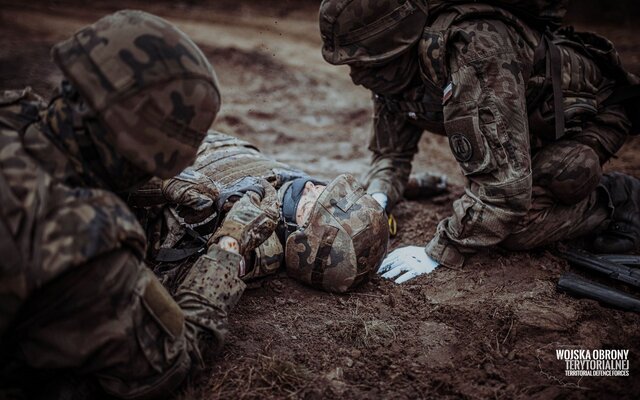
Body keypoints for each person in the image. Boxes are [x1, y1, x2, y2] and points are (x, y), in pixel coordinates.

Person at [0, 10, 276, 399]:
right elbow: (171, 362)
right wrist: (229, 246)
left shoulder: (11, 112)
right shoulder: (88, 245)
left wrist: (153, 188)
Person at [318, 0, 640, 283]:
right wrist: (379, 197)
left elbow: (505, 194)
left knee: (519, 223)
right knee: (499, 194)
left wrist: (439, 251)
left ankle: (615, 200)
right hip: (527, 129)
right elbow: (390, 154)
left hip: (591, 117)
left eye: (360, 64)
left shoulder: (473, 48)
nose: (356, 77)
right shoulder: (392, 69)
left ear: (392, 45)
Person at [129, 130, 390, 294]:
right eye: (321, 188)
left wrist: (198, 216)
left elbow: (207, 271)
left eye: (310, 205)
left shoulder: (264, 246)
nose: (310, 187)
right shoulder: (299, 190)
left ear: (298, 243)